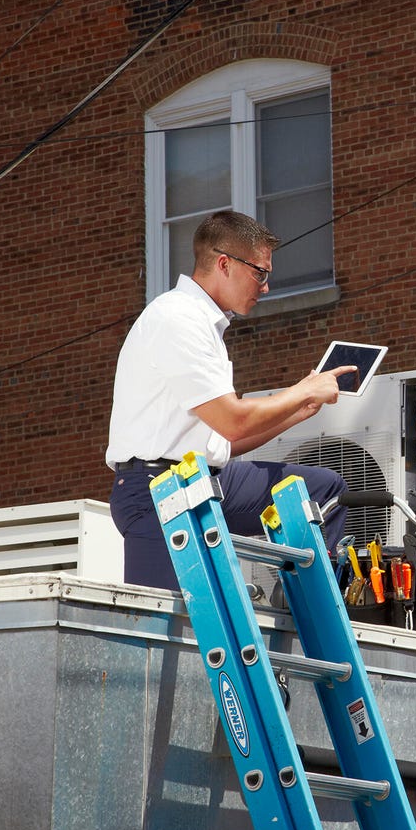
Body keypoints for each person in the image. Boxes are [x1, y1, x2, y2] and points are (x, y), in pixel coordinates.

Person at [106, 210, 355, 589]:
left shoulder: (203, 322)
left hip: (203, 478)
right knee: (169, 634)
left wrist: (297, 413)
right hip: (157, 491)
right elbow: (233, 420)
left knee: (322, 492)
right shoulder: (178, 319)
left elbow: (225, 443)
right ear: (224, 264)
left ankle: (305, 601)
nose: (266, 286)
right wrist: (302, 390)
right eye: (261, 272)